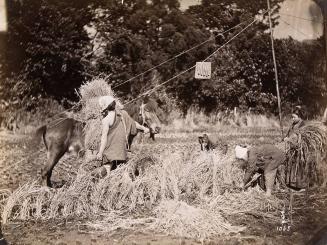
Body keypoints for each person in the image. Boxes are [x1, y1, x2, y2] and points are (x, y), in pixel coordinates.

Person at [95, 95, 149, 174]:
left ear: (105, 108)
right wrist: (144, 128)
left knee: (106, 167)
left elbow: (104, 138)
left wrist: (100, 152)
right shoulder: (123, 114)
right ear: (114, 104)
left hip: (111, 152)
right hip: (123, 151)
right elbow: (133, 123)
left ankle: (106, 176)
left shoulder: (106, 120)